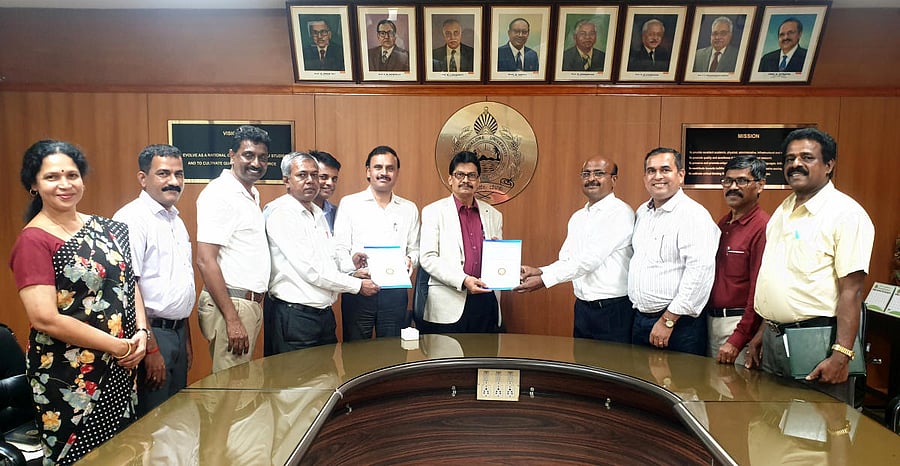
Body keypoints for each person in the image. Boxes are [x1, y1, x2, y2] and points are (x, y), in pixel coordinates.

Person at [9, 140, 149, 464]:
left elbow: (129, 283)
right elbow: (45, 319)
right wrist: (119, 347)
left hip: (121, 364)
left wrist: (142, 332)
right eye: (52, 177)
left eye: (72, 175)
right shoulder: (33, 240)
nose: (65, 184)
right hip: (68, 375)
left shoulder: (108, 230)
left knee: (122, 452)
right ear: (34, 185)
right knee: (81, 457)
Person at [748, 128, 874, 405]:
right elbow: (779, 279)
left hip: (817, 343)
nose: (795, 164)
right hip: (773, 339)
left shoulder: (846, 215)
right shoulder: (783, 210)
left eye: (807, 157)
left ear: (829, 165)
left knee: (810, 436)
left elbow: (851, 292)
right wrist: (762, 332)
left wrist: (841, 356)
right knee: (769, 428)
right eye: (790, 158)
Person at [264, 153, 379, 354]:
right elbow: (312, 270)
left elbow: (328, 259)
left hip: (322, 316)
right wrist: (357, 285)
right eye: (302, 175)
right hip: (296, 317)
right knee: (298, 382)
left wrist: (351, 265)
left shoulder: (317, 213)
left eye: (314, 175)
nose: (310, 180)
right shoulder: (281, 213)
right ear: (286, 181)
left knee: (326, 378)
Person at [113, 144, 195, 416]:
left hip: (177, 333)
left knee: (177, 418)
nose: (174, 181)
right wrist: (151, 349)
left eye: (179, 174)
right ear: (143, 178)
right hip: (151, 335)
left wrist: (186, 338)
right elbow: (128, 286)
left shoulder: (175, 219)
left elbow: (180, 283)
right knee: (154, 422)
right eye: (163, 174)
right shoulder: (133, 218)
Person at [516, 156, 634, 343]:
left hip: (613, 311)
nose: (591, 178)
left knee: (612, 369)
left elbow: (589, 260)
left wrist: (544, 280)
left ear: (614, 179)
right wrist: (540, 271)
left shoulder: (620, 213)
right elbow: (568, 259)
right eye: (586, 174)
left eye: (599, 173)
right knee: (582, 368)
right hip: (583, 309)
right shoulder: (578, 217)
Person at [628, 147, 719, 356]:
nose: (657, 176)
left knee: (678, 386)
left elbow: (700, 273)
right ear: (644, 178)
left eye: (665, 169)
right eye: (651, 171)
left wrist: (668, 320)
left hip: (678, 324)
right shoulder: (643, 212)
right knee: (640, 384)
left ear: (681, 175)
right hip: (641, 319)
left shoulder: (693, 215)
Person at [196, 125, 271, 372]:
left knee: (239, 385)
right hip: (232, 304)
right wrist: (232, 319)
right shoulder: (220, 193)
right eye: (248, 155)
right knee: (231, 388)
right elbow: (206, 260)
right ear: (232, 155)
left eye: (262, 157)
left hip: (248, 304)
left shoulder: (250, 193)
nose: (256, 163)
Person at [333, 145, 419, 341]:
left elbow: (415, 249)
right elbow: (339, 248)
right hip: (359, 288)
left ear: (397, 173)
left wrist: (410, 259)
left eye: (390, 168)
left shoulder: (408, 208)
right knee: (356, 355)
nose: (384, 173)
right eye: (378, 167)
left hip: (395, 292)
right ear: (368, 172)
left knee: (393, 354)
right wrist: (353, 271)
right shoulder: (350, 203)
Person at [420, 151, 503, 333]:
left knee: (485, 358)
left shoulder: (494, 216)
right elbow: (427, 258)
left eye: (471, 175)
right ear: (450, 179)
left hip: (486, 299)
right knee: (449, 359)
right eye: (460, 175)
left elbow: (501, 260)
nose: (466, 180)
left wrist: (502, 259)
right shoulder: (433, 212)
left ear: (478, 181)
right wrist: (463, 280)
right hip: (449, 302)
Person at [706, 156, 769, 365]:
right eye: (727, 181)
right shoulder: (723, 223)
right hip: (711, 321)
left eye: (742, 181)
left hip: (736, 325)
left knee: (733, 393)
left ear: (760, 185)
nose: (732, 187)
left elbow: (758, 291)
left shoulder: (762, 227)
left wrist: (738, 339)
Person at [309, 149, 341, 234]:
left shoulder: (338, 213)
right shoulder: (295, 210)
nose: (330, 183)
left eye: (334, 179)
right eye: (323, 177)